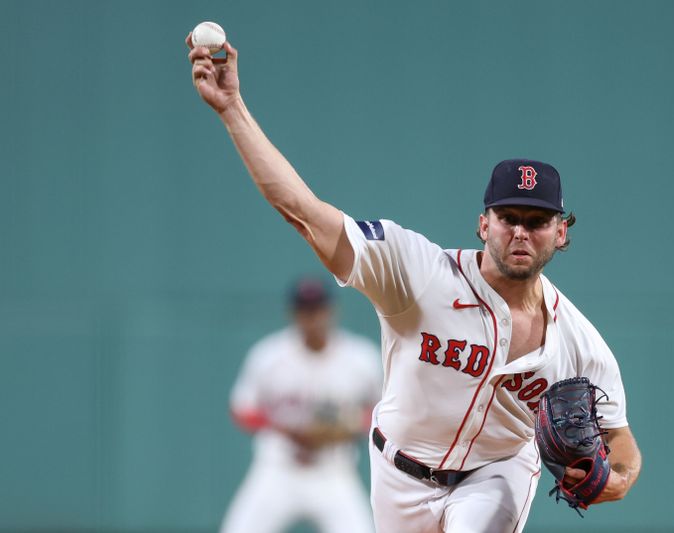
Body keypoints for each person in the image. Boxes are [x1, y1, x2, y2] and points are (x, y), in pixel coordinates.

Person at [188, 35, 642, 533]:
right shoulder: (417, 272)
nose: (519, 231)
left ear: (560, 232)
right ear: (483, 224)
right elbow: (305, 214)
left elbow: (623, 444)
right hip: (397, 471)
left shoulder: (578, 341)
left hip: (496, 474)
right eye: (508, 215)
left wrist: (617, 480)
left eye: (536, 221)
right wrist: (232, 109)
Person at [221, 278, 381, 533]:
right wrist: (285, 429)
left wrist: (348, 426)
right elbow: (241, 409)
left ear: (331, 310)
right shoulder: (269, 355)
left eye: (318, 308)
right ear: (293, 313)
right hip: (278, 467)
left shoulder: (361, 357)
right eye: (305, 310)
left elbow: (383, 413)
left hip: (334, 469)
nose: (312, 317)